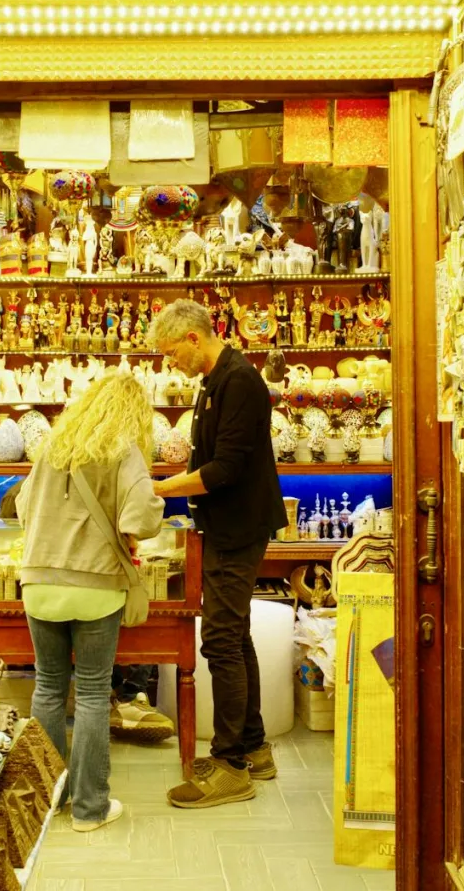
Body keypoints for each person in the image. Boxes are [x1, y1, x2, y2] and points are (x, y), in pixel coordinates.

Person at [147, 299, 286, 808]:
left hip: (238, 528)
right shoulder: (214, 382)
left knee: (221, 642)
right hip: (224, 526)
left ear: (192, 338)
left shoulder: (240, 381)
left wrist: (157, 489)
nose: (170, 364)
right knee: (235, 635)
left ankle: (230, 766)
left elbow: (224, 469)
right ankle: (254, 747)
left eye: (169, 353)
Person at [15, 372, 164, 833]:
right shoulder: (123, 449)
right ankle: (88, 810)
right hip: (96, 584)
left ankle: (45, 801)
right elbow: (139, 513)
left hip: (39, 581)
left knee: (48, 688)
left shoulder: (52, 449)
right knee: (95, 693)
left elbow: (21, 507)